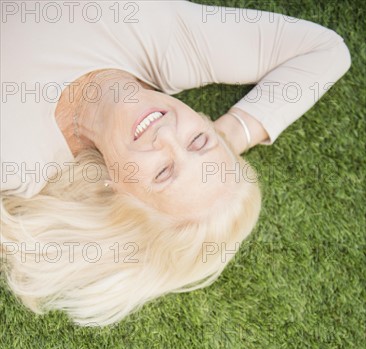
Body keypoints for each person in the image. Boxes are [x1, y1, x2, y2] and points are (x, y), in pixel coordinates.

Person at [0, 1, 351, 327]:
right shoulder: (170, 43)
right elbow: (325, 52)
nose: (166, 133)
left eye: (163, 172)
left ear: (117, 190)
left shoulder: (17, 161)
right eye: (199, 140)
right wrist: (231, 136)